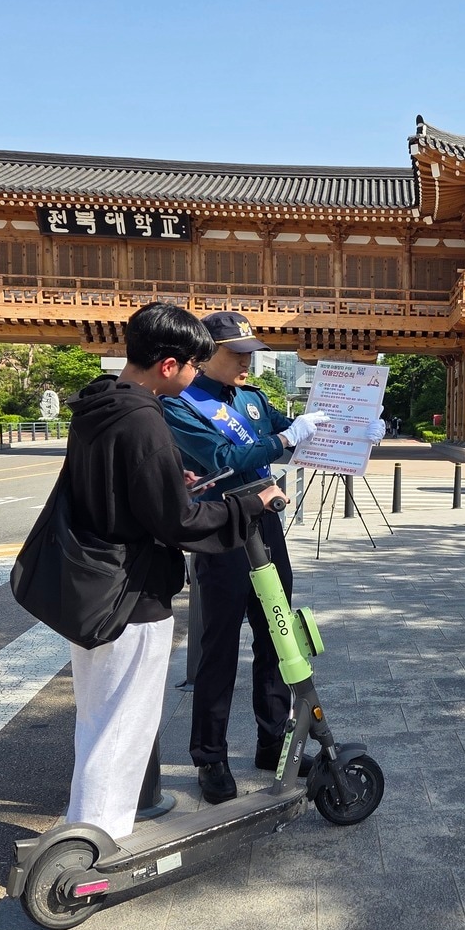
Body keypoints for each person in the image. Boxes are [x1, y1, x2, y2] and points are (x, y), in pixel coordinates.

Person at [62, 302, 285, 837]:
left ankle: (94, 830)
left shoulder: (104, 403)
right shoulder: (152, 414)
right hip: (134, 585)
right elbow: (180, 518)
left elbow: (140, 492)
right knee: (127, 719)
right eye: (195, 363)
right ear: (170, 364)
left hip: (105, 583)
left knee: (106, 721)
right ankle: (101, 838)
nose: (194, 374)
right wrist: (247, 502)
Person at [161, 312, 377, 802]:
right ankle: (210, 756)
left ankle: (273, 741)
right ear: (204, 354)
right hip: (220, 527)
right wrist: (285, 438)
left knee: (278, 637)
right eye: (236, 353)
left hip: (266, 522)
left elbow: (304, 431)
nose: (246, 362)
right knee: (218, 647)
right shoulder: (179, 404)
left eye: (249, 353)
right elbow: (224, 457)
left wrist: (360, 432)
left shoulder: (253, 400)